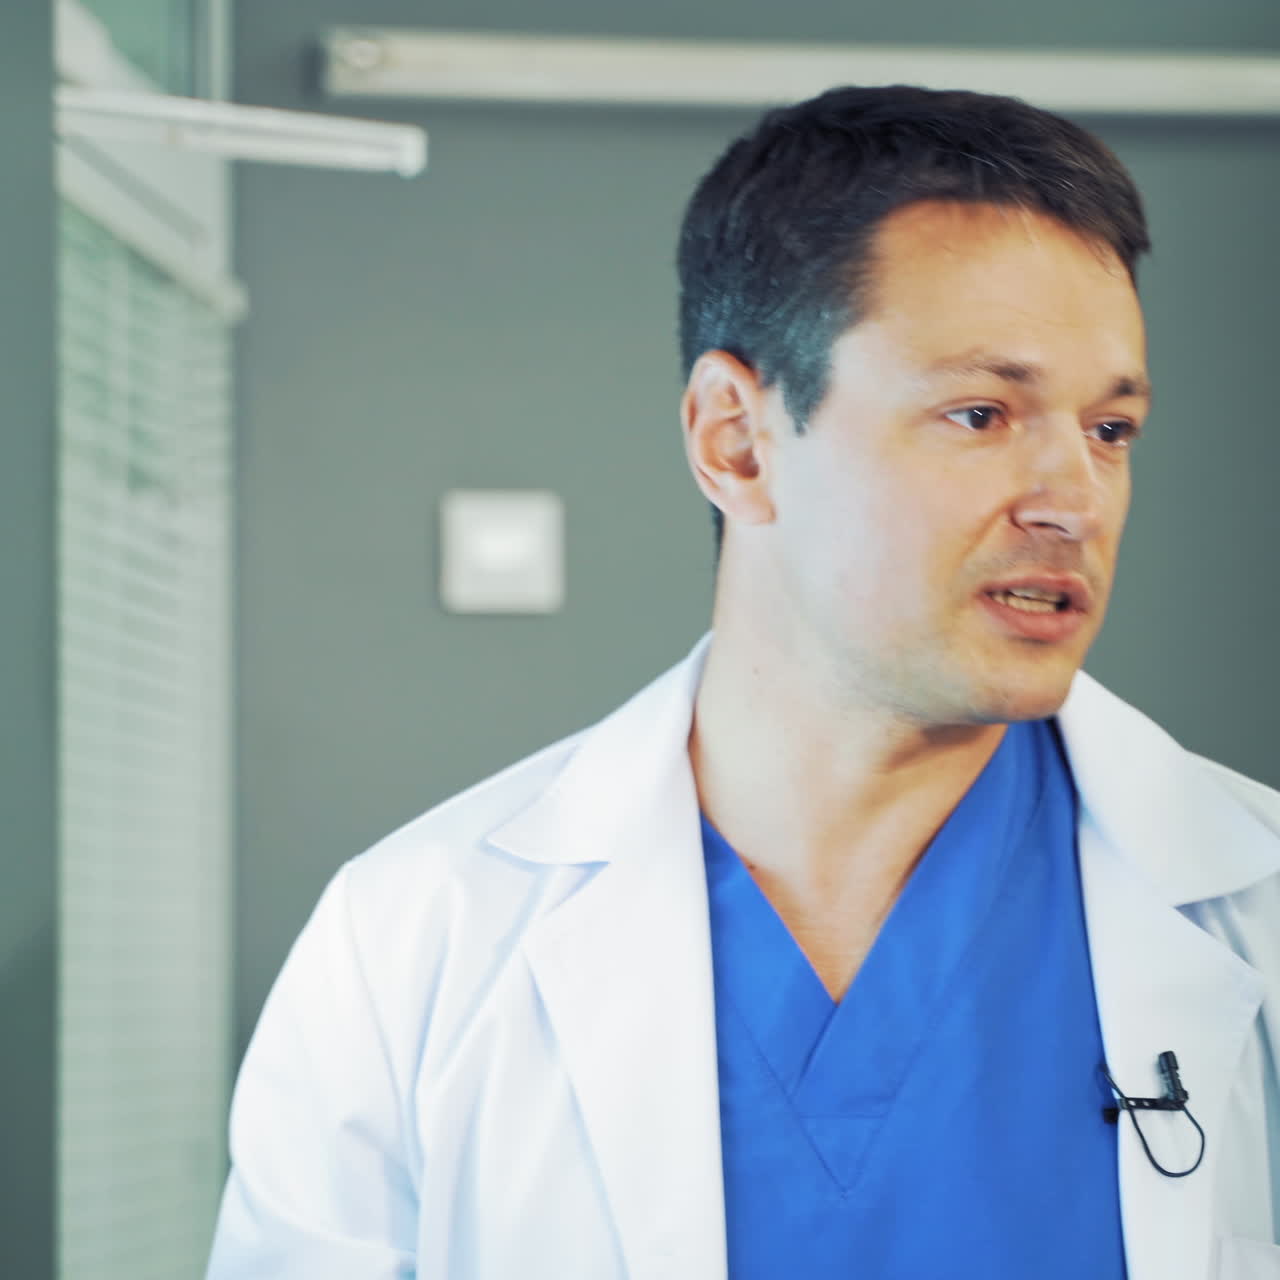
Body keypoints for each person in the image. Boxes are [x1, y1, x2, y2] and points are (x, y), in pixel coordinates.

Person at [206, 86, 1280, 1280]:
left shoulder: (1253, 904)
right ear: (735, 438)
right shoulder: (412, 942)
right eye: (980, 413)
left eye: (1109, 430)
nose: (1072, 497)